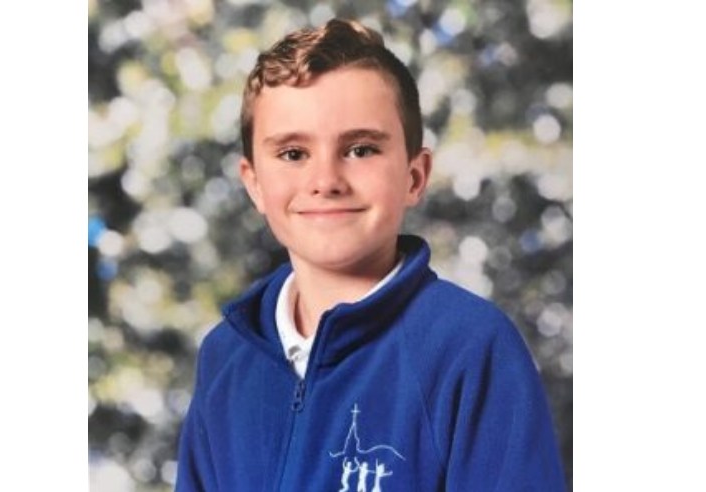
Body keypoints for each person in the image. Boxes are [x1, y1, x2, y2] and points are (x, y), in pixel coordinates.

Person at [176, 18, 565, 491]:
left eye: (360, 149)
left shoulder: (470, 348)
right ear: (254, 183)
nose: (326, 180)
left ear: (415, 177)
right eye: (293, 154)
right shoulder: (226, 357)